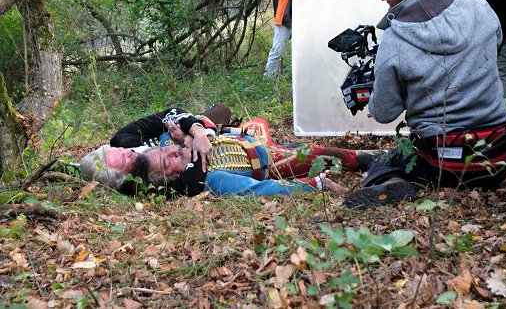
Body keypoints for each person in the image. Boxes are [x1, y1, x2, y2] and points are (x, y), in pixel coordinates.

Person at [344, 0, 506, 208]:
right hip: (497, 157)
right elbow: (496, 45)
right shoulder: (478, 3)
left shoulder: (394, 41)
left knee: (387, 163)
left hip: (444, 164)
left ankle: (390, 183)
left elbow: (383, 112)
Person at [81, 105, 380, 197]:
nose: (128, 154)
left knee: (252, 123)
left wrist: (195, 131)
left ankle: (220, 125)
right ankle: (366, 159)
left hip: (226, 137)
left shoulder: (123, 139)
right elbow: (196, 183)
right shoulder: (147, 185)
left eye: (122, 152)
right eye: (123, 162)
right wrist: (188, 149)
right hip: (250, 158)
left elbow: (171, 112)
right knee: (312, 155)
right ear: (121, 177)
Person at [264, 0, 309, 79]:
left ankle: (302, 79)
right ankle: (269, 80)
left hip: (303, 22)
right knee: (276, 51)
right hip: (285, 20)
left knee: (303, 52)